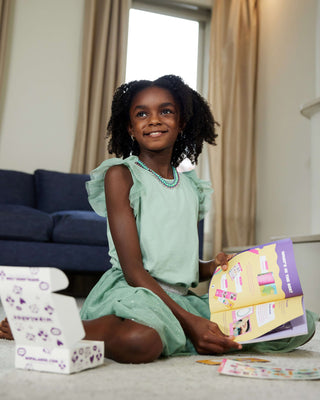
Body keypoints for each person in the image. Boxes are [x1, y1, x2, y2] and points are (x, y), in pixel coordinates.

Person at [0, 75, 316, 362]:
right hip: (136, 292)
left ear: (181, 122)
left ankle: (186, 332)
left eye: (166, 111)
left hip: (181, 298)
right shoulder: (121, 176)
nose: (154, 120)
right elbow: (135, 270)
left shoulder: (192, 186)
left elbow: (178, 262)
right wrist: (191, 322)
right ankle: (56, 325)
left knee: (300, 322)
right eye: (141, 113)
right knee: (140, 342)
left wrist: (215, 266)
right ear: (129, 127)